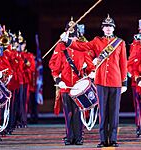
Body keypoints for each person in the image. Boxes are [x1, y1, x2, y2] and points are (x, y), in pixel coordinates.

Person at [60, 14, 128, 148]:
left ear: (113, 28)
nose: (108, 29)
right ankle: (103, 139)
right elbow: (82, 47)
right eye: (106, 27)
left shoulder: (120, 43)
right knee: (102, 112)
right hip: (101, 81)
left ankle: (113, 139)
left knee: (114, 113)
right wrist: (67, 41)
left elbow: (123, 63)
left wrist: (124, 82)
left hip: (115, 81)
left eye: (110, 26)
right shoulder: (97, 41)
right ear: (102, 29)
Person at [50, 17, 95, 145]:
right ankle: (70, 137)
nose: (73, 40)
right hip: (65, 85)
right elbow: (53, 65)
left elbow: (90, 65)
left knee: (78, 112)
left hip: (78, 86)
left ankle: (79, 136)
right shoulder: (60, 47)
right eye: (71, 36)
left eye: (74, 37)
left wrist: (91, 72)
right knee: (68, 112)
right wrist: (58, 80)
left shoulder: (82, 47)